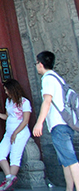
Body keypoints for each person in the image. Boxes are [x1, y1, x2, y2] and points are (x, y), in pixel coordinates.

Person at [33, 51, 79, 191]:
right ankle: (69, 188)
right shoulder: (57, 78)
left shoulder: (47, 79)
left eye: (36, 63)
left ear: (41, 64)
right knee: (65, 161)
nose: (36, 66)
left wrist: (39, 123)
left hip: (59, 125)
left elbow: (47, 101)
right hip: (66, 124)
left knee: (70, 160)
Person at [0, 79, 32, 191]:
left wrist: (15, 133)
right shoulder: (9, 101)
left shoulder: (24, 102)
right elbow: (7, 116)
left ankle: (8, 184)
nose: (6, 92)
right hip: (8, 133)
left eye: (7, 90)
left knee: (14, 157)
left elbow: (25, 120)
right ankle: (9, 178)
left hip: (20, 133)